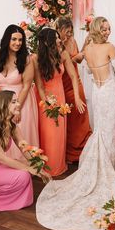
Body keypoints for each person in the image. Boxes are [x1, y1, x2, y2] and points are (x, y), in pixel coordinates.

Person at [36, 16, 115, 230]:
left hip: (97, 90)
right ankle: (109, 170)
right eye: (104, 28)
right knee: (109, 131)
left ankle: (99, 167)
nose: (107, 31)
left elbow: (78, 63)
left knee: (102, 129)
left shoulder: (88, 49)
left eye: (109, 27)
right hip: (109, 89)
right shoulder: (110, 47)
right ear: (96, 29)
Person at [0, 90, 50, 211]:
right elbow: (2, 158)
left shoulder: (11, 126)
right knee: (23, 175)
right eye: (14, 101)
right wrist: (30, 169)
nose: (18, 104)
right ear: (3, 104)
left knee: (25, 167)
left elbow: (25, 149)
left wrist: (39, 168)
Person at [32, 28, 86, 176]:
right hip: (45, 100)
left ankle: (58, 165)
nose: (58, 40)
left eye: (57, 37)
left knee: (58, 133)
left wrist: (77, 97)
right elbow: (39, 85)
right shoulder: (35, 59)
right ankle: (46, 167)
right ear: (45, 41)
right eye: (55, 37)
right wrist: (48, 105)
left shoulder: (63, 54)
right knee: (47, 133)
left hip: (60, 97)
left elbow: (74, 77)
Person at [0, 24, 39, 160]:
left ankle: (25, 167)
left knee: (20, 133)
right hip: (1, 102)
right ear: (7, 40)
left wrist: (16, 108)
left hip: (21, 101)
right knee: (1, 131)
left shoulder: (26, 59)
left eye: (20, 40)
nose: (18, 43)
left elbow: (27, 86)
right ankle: (5, 164)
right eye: (14, 39)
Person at [55, 16, 92, 163]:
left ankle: (83, 148)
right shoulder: (55, 45)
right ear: (59, 30)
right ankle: (70, 153)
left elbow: (79, 59)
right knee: (69, 119)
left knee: (82, 116)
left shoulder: (72, 41)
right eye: (67, 32)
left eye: (71, 32)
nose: (70, 35)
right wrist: (80, 55)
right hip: (62, 83)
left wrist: (85, 45)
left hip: (76, 82)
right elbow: (69, 61)